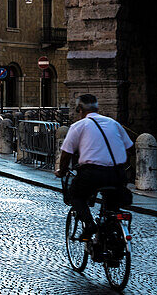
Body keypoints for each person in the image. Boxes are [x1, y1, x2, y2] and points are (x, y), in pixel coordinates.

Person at [56, 94, 134, 240]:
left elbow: (66, 154)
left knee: (76, 195)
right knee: (112, 207)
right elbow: (130, 147)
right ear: (97, 108)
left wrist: (62, 171)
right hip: (117, 174)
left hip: (92, 174)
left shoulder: (78, 126)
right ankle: (113, 236)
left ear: (79, 109)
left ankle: (89, 224)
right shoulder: (113, 123)